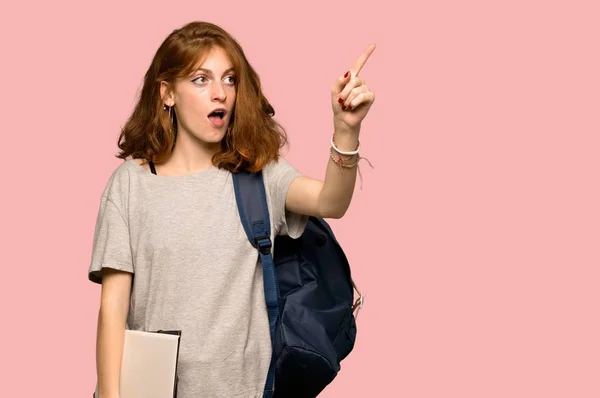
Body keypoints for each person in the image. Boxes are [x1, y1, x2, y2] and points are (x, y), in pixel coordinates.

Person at [88, 21, 375, 398]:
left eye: (229, 79)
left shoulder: (257, 175)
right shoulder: (129, 185)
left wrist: (346, 130)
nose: (220, 93)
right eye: (201, 79)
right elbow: (113, 306)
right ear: (167, 93)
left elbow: (331, 202)